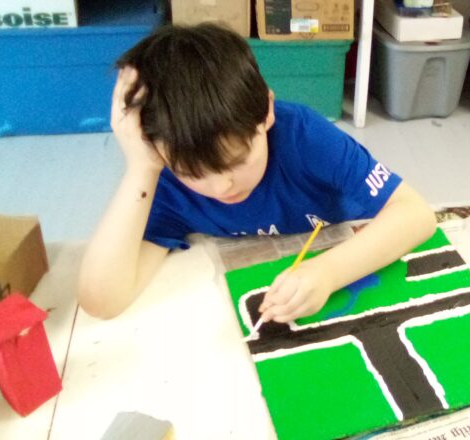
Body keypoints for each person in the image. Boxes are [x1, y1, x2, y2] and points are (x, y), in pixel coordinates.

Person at [77, 24, 437, 322]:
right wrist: (140, 169)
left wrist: (327, 273)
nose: (221, 186)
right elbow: (102, 300)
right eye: (191, 172)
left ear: (265, 111)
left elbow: (416, 214)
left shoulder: (305, 137)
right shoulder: (163, 176)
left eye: (236, 160)